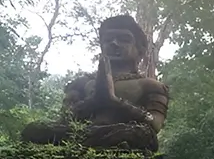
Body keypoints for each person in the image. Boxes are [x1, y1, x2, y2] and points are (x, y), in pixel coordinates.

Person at [22, 15, 168, 151]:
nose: (114, 43)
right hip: (83, 133)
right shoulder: (82, 83)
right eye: (108, 39)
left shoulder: (150, 86)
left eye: (124, 39)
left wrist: (117, 102)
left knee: (144, 136)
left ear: (140, 50)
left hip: (122, 133)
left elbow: (155, 124)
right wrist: (93, 102)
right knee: (34, 130)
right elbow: (65, 119)